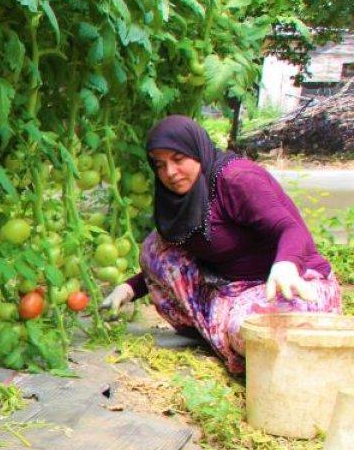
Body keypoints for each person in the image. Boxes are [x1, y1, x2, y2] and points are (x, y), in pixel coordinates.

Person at [106, 115, 341, 373]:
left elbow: (291, 228)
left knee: (258, 332)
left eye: (178, 159)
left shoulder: (236, 179)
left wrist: (286, 264)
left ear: (197, 151)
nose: (170, 173)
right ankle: (224, 332)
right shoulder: (183, 200)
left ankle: (233, 335)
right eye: (160, 165)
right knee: (156, 246)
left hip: (291, 286)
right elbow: (174, 259)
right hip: (235, 289)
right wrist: (129, 288)